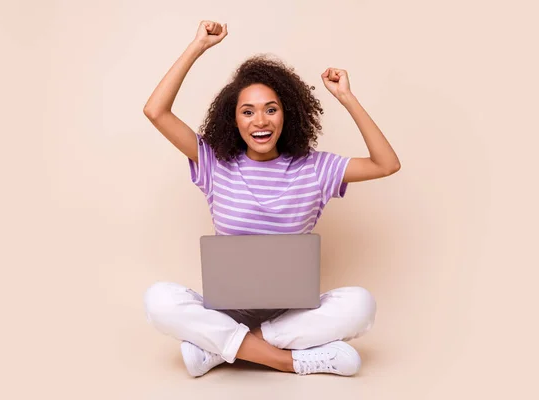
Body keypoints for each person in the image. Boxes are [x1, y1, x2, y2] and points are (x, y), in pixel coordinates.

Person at [142, 20, 401, 378]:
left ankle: (220, 350)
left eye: (270, 109)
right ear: (233, 120)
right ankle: (288, 360)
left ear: (287, 114)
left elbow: (386, 164)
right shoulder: (215, 163)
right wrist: (198, 45)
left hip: (292, 315)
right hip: (227, 311)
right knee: (159, 300)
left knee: (361, 304)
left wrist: (346, 98)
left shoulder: (315, 169)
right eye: (247, 111)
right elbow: (156, 111)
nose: (259, 121)